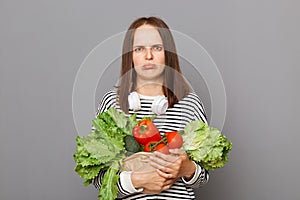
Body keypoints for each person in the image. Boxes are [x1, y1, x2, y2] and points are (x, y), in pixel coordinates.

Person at [92, 16, 209, 199]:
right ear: (130, 55)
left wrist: (187, 168)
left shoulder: (190, 104)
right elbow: (99, 178)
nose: (148, 56)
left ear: (167, 54)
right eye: (139, 49)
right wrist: (139, 180)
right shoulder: (112, 104)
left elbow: (202, 177)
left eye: (157, 48)